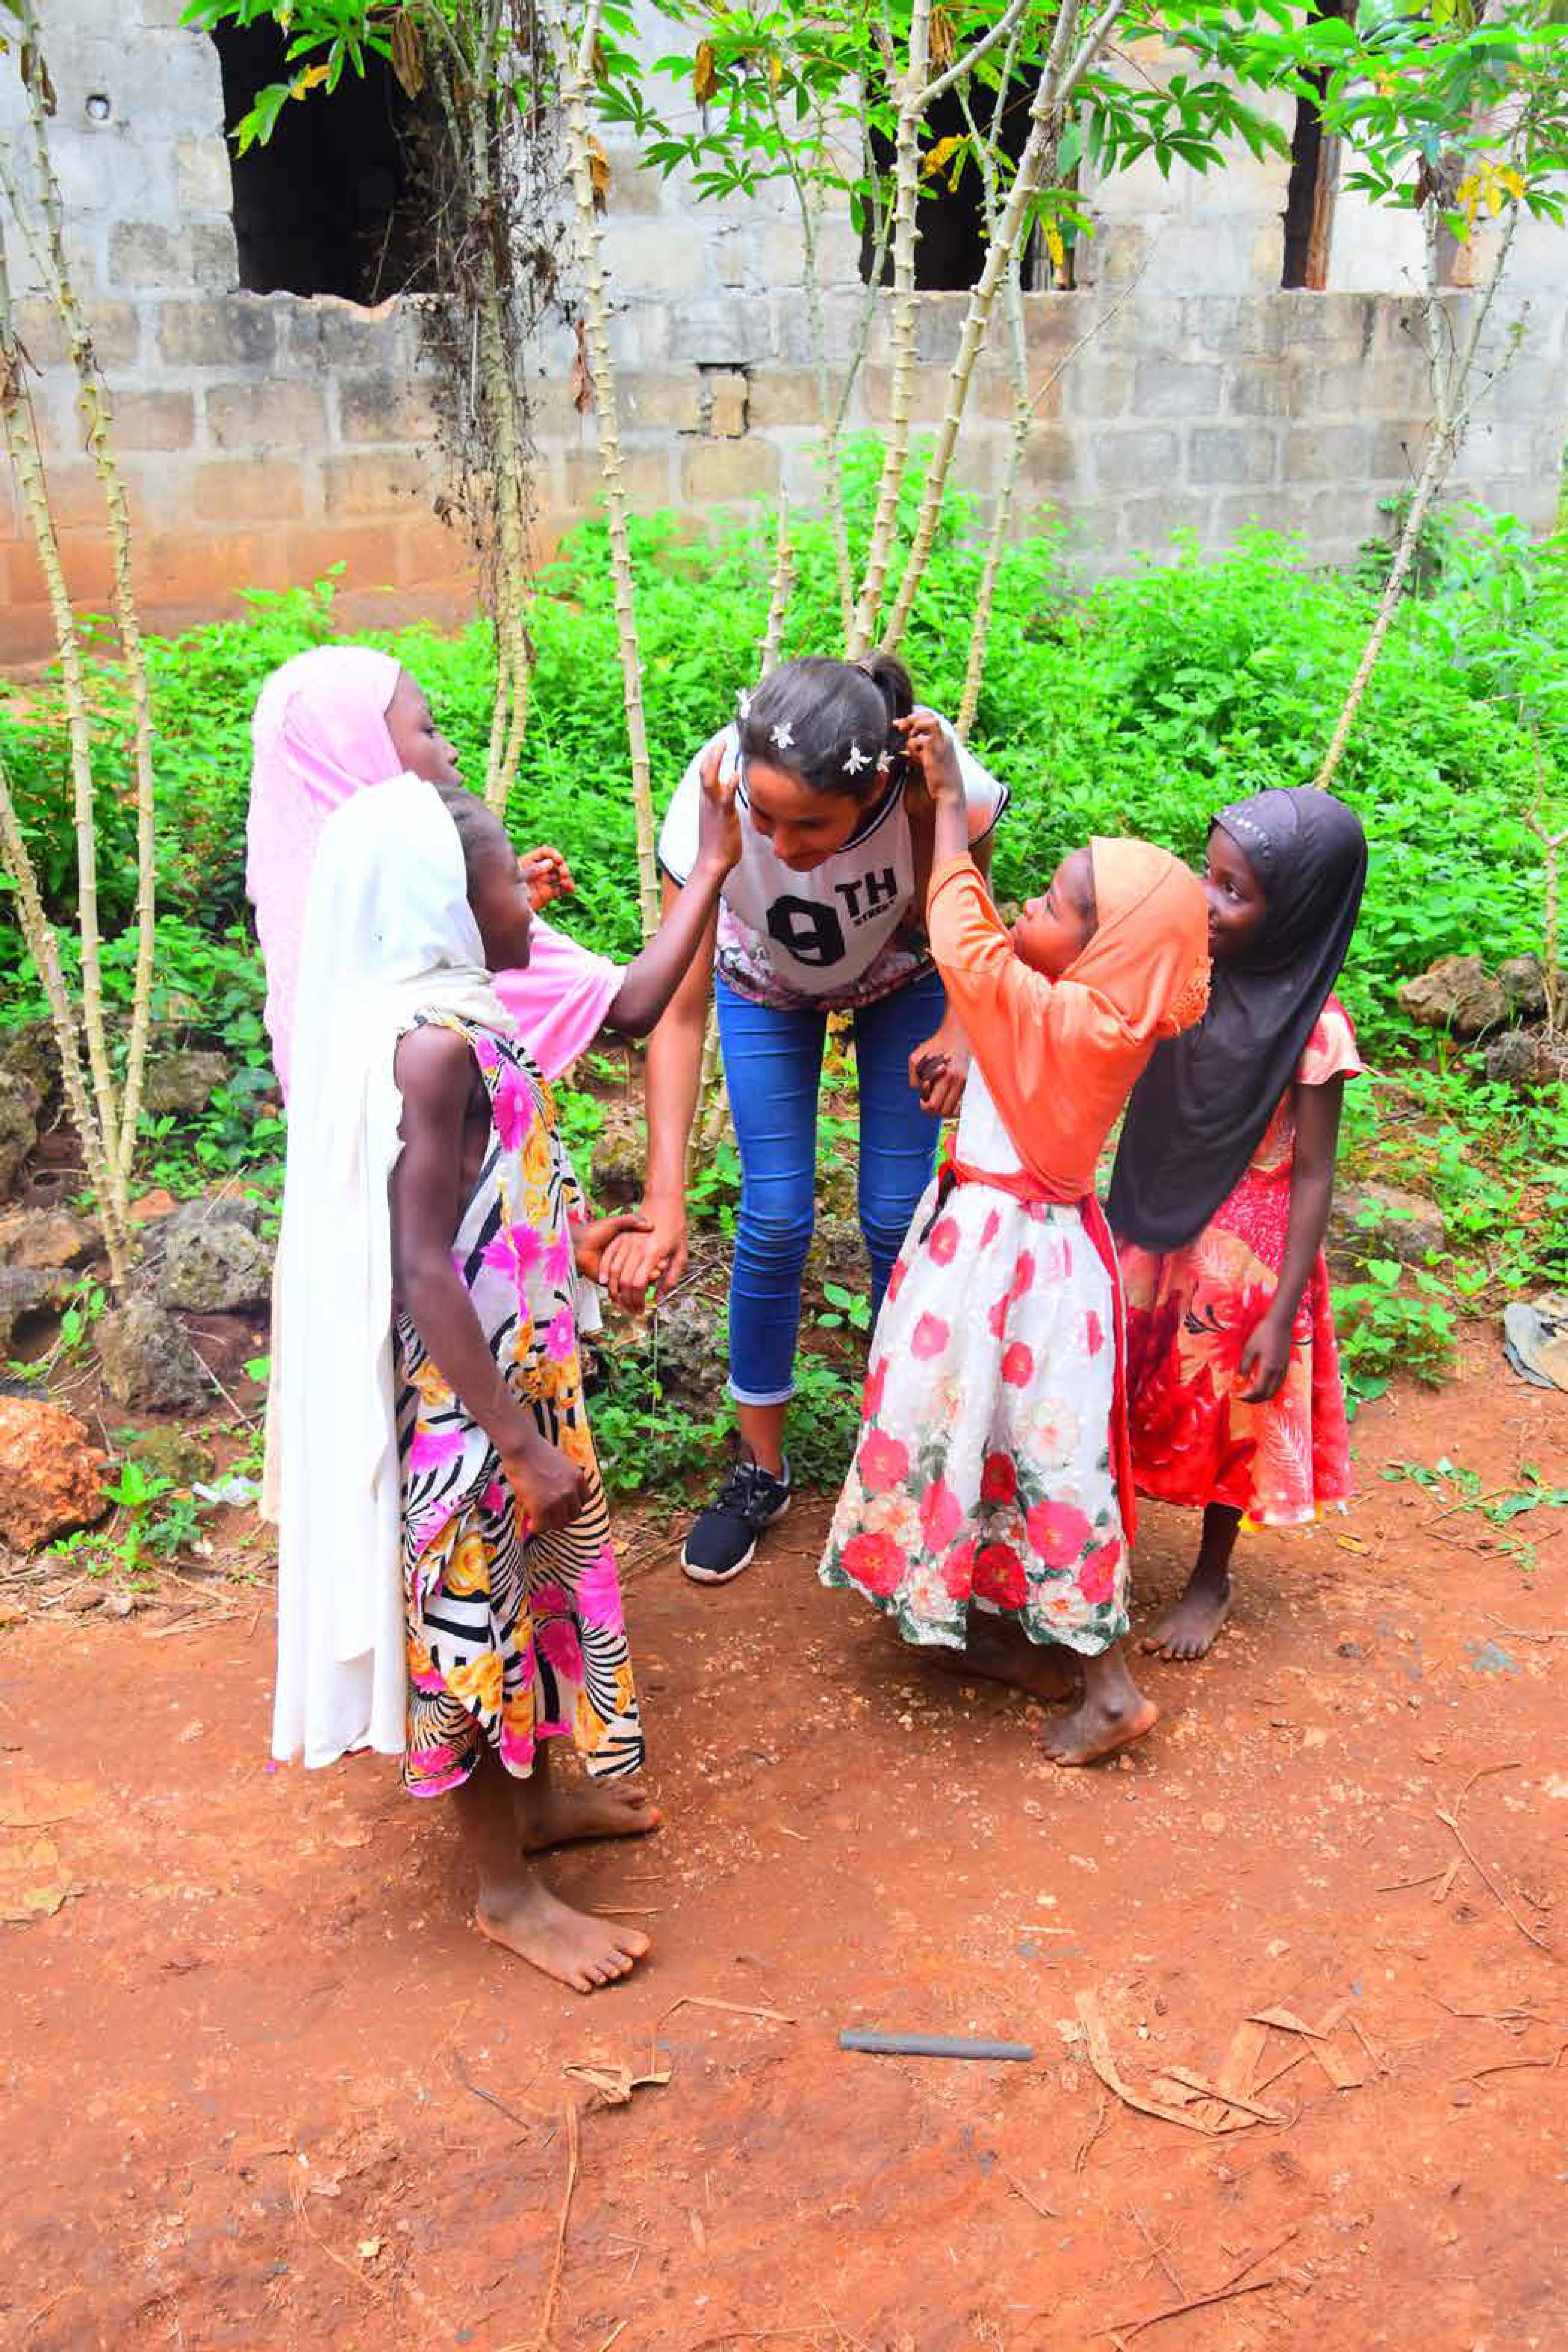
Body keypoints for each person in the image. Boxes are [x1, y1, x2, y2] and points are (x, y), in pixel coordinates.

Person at [268, 760, 741, 1991]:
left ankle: (532, 1818)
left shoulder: (470, 1017)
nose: (531, 893)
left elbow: (501, 1193)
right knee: (468, 1638)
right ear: (445, 903)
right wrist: (514, 1444)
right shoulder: (428, 1051)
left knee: (528, 1615)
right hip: (468, 1418)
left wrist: (575, 1243)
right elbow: (423, 1266)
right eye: (505, 880)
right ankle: (505, 1893)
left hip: (522, 1388)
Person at [819, 712, 1211, 1765]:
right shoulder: (1085, 1015)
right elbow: (994, 996)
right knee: (1008, 1435)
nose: (1029, 897)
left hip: (1011, 1265)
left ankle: (1113, 1688)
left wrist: (948, 807)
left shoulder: (1071, 1021)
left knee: (1045, 1457)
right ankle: (992, 1622)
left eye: (1053, 901)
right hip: (1028, 1260)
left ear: (1106, 949)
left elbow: (960, 931)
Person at [601, 654, 1009, 1586]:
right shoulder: (709, 796)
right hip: (763, 987)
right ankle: (760, 1468)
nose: (781, 845)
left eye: (812, 826)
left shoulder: (934, 780)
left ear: (871, 790)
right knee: (775, 1213)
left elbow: (966, 918)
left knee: (896, 1216)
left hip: (903, 978)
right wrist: (666, 1196)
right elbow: (679, 1006)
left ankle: (902, 1457)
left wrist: (959, 1025)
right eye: (766, 818)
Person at [1107, 787, 1368, 1664]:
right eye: (1207, 877)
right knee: (1117, 1373)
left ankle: (1211, 1575)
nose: (1207, 904)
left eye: (1234, 892)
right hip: (1153, 1212)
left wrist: (1284, 1306)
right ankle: (1097, 1545)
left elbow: (1315, 1173)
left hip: (1245, 1253)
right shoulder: (1183, 971)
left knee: (1232, 1413)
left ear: (1296, 913)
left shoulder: (1314, 1030)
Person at [247, 644, 714, 1093]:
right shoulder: (429, 908)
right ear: (362, 755)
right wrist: (711, 862)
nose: (451, 750)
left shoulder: (314, 909)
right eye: (428, 731)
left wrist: (497, 903)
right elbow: (632, 1001)